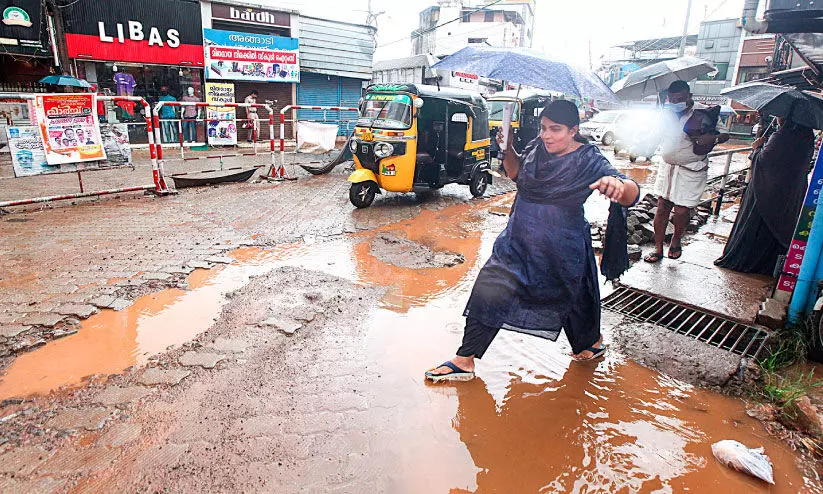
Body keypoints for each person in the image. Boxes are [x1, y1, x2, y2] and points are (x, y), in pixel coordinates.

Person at [425, 100, 640, 382]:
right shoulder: (538, 148)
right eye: (543, 128)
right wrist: (509, 147)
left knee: (575, 296)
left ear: (574, 130)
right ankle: (465, 359)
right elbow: (516, 174)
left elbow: (631, 192)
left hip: (562, 244)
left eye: (556, 129)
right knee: (491, 286)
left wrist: (619, 186)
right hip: (519, 237)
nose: (546, 135)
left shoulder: (588, 158)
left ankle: (589, 344)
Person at [715, 117, 815, 274]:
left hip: (766, 191)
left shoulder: (782, 136)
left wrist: (756, 149)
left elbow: (765, 161)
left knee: (757, 228)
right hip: (790, 194)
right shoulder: (807, 137)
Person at [644, 80, 729, 263]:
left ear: (689, 96)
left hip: (692, 168)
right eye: (673, 100)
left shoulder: (705, 112)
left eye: (680, 99)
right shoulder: (665, 113)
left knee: (682, 210)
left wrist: (712, 138)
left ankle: (676, 240)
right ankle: (658, 248)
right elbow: (655, 135)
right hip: (667, 167)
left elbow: (724, 134)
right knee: (662, 207)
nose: (676, 103)